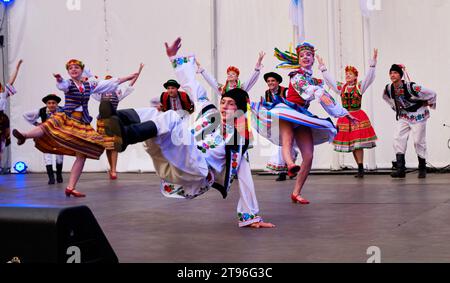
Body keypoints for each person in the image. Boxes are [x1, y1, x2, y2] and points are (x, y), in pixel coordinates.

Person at [100, 38, 274, 228]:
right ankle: (115, 120)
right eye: (223, 102)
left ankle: (125, 135)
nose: (224, 107)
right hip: (173, 163)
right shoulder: (208, 112)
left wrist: (252, 216)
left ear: (240, 109)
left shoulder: (238, 139)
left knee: (173, 118)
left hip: (197, 171)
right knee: (158, 114)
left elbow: (245, 178)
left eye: (231, 104)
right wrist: (173, 57)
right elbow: (192, 85)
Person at [12, 59, 138, 197]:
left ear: (82, 70)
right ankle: (24, 135)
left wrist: (128, 78)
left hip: (82, 122)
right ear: (68, 72)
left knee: (82, 155)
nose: (73, 69)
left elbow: (109, 83)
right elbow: (63, 85)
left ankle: (71, 187)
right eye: (70, 68)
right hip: (68, 117)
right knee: (49, 125)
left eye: (76, 67)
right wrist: (59, 79)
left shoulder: (89, 84)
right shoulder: (68, 83)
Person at [252, 42, 355, 204]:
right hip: (288, 111)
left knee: (308, 155)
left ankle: (296, 192)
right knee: (287, 139)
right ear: (298, 60)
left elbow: (326, 98)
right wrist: (318, 91)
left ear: (313, 58)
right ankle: (291, 164)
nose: (305, 57)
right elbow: (308, 92)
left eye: (308, 55)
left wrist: (344, 113)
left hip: (302, 115)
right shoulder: (297, 76)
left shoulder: (315, 81)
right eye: (302, 56)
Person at [317, 49, 378, 178]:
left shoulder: (359, 86)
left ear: (356, 76)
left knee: (357, 144)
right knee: (352, 145)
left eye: (350, 74)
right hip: (345, 117)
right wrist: (323, 69)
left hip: (357, 116)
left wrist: (372, 65)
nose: (348, 76)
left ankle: (361, 168)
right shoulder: (342, 88)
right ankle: (359, 168)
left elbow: (369, 78)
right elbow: (331, 82)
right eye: (347, 74)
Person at [383, 64, 437, 179]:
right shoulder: (389, 88)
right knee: (397, 138)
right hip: (404, 116)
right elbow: (386, 97)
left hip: (418, 115)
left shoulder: (411, 87)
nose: (392, 75)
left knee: (418, 141)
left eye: (395, 73)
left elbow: (432, 93)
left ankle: (422, 167)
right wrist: (396, 108)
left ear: (401, 75)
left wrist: (427, 103)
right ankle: (400, 169)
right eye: (391, 73)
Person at [91, 63, 144, 180]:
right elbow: (91, 88)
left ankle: (114, 170)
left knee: (114, 145)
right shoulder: (100, 94)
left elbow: (130, 84)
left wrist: (138, 71)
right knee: (107, 146)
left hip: (113, 121)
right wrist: (90, 79)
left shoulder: (118, 93)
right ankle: (111, 168)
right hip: (102, 121)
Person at [262, 72, 297, 181]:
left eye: (272, 81)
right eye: (268, 81)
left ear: (277, 82)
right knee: (279, 145)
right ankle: (283, 171)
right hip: (276, 122)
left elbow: (292, 105)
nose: (270, 83)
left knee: (290, 145)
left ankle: (289, 168)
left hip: (288, 120)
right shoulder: (267, 93)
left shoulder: (285, 91)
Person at [23, 94, 65, 184]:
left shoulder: (63, 110)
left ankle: (59, 175)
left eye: (53, 103)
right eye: (49, 103)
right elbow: (26, 115)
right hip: (45, 136)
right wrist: (37, 124)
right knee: (47, 156)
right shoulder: (41, 111)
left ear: (57, 104)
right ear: (46, 104)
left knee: (59, 157)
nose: (51, 105)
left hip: (59, 136)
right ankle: (51, 177)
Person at [0, 60, 23, 173]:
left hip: (1, 120)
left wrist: (17, 68)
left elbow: (11, 82)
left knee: (1, 146)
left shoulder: (2, 94)